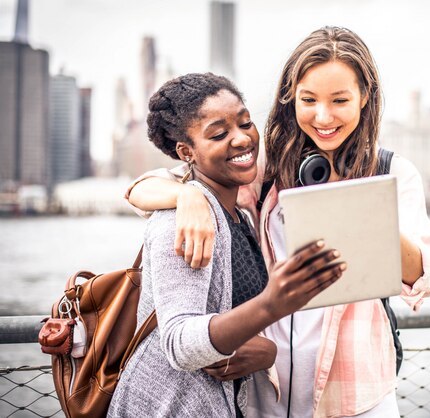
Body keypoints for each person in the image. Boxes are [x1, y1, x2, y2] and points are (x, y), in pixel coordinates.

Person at [126, 27, 430, 417]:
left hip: (358, 395)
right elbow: (140, 189)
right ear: (291, 97)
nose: (322, 116)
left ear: (365, 96)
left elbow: (424, 277)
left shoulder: (391, 172)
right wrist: (187, 195)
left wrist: (362, 210)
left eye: (340, 100)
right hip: (266, 393)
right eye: (308, 100)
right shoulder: (267, 167)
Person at [108, 72, 346, 418]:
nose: (241, 139)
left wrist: (267, 352)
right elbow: (179, 344)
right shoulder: (181, 221)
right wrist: (270, 305)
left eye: (246, 124)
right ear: (186, 151)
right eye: (219, 134)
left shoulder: (242, 219)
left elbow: (232, 328)